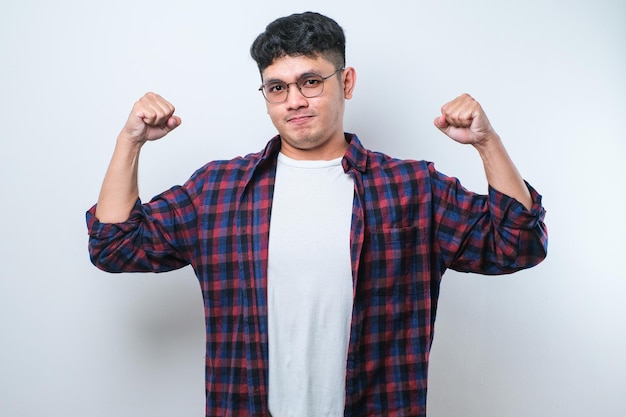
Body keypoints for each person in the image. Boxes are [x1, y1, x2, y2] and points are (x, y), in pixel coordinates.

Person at [86, 11, 548, 417]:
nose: (294, 101)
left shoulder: (410, 188)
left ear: (345, 81)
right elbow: (115, 246)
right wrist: (131, 142)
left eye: (310, 81)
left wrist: (487, 142)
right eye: (277, 87)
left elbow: (518, 244)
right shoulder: (219, 190)